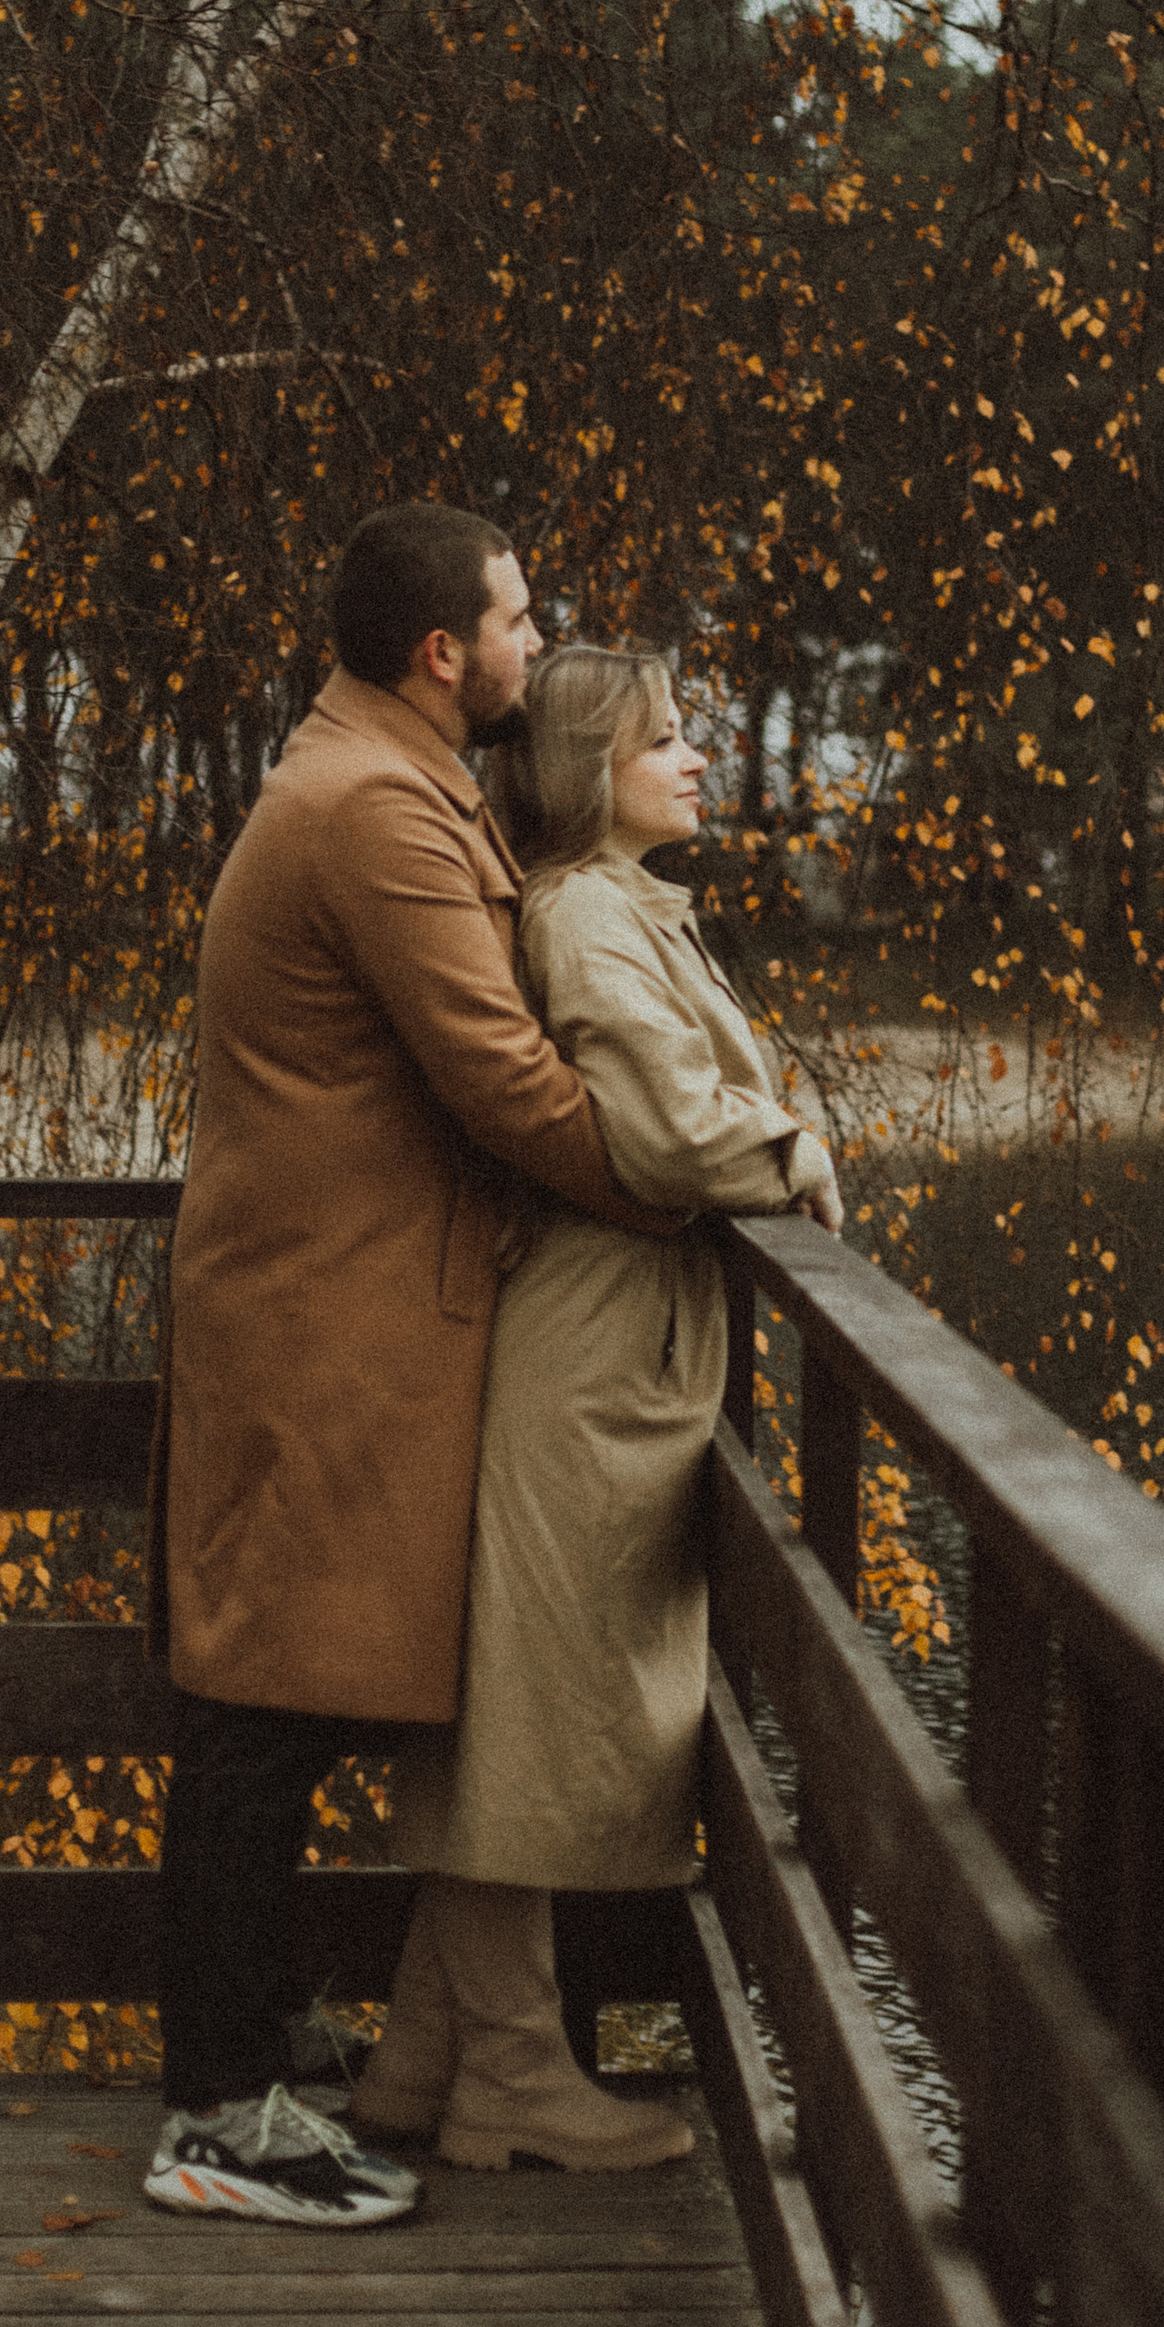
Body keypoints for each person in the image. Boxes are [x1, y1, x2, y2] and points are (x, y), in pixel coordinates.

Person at [143, 507, 681, 2229]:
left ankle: (279, 2059)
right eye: (520, 617)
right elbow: (507, 1082)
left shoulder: (383, 775)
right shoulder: (371, 806)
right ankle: (218, 2115)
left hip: (339, 1319)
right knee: (256, 1714)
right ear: (441, 651)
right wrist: (692, 1182)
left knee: (272, 1707)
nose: (539, 639)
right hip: (318, 1331)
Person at [351, 645, 841, 2171]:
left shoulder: (625, 912)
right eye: (665, 741)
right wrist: (797, 1158)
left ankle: (419, 2076)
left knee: (532, 1714)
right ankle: (511, 2080)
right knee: (538, 1726)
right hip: (589, 1359)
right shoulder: (582, 915)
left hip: (617, 1345)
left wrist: (773, 1126)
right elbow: (665, 1128)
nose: (699, 760)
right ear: (586, 771)